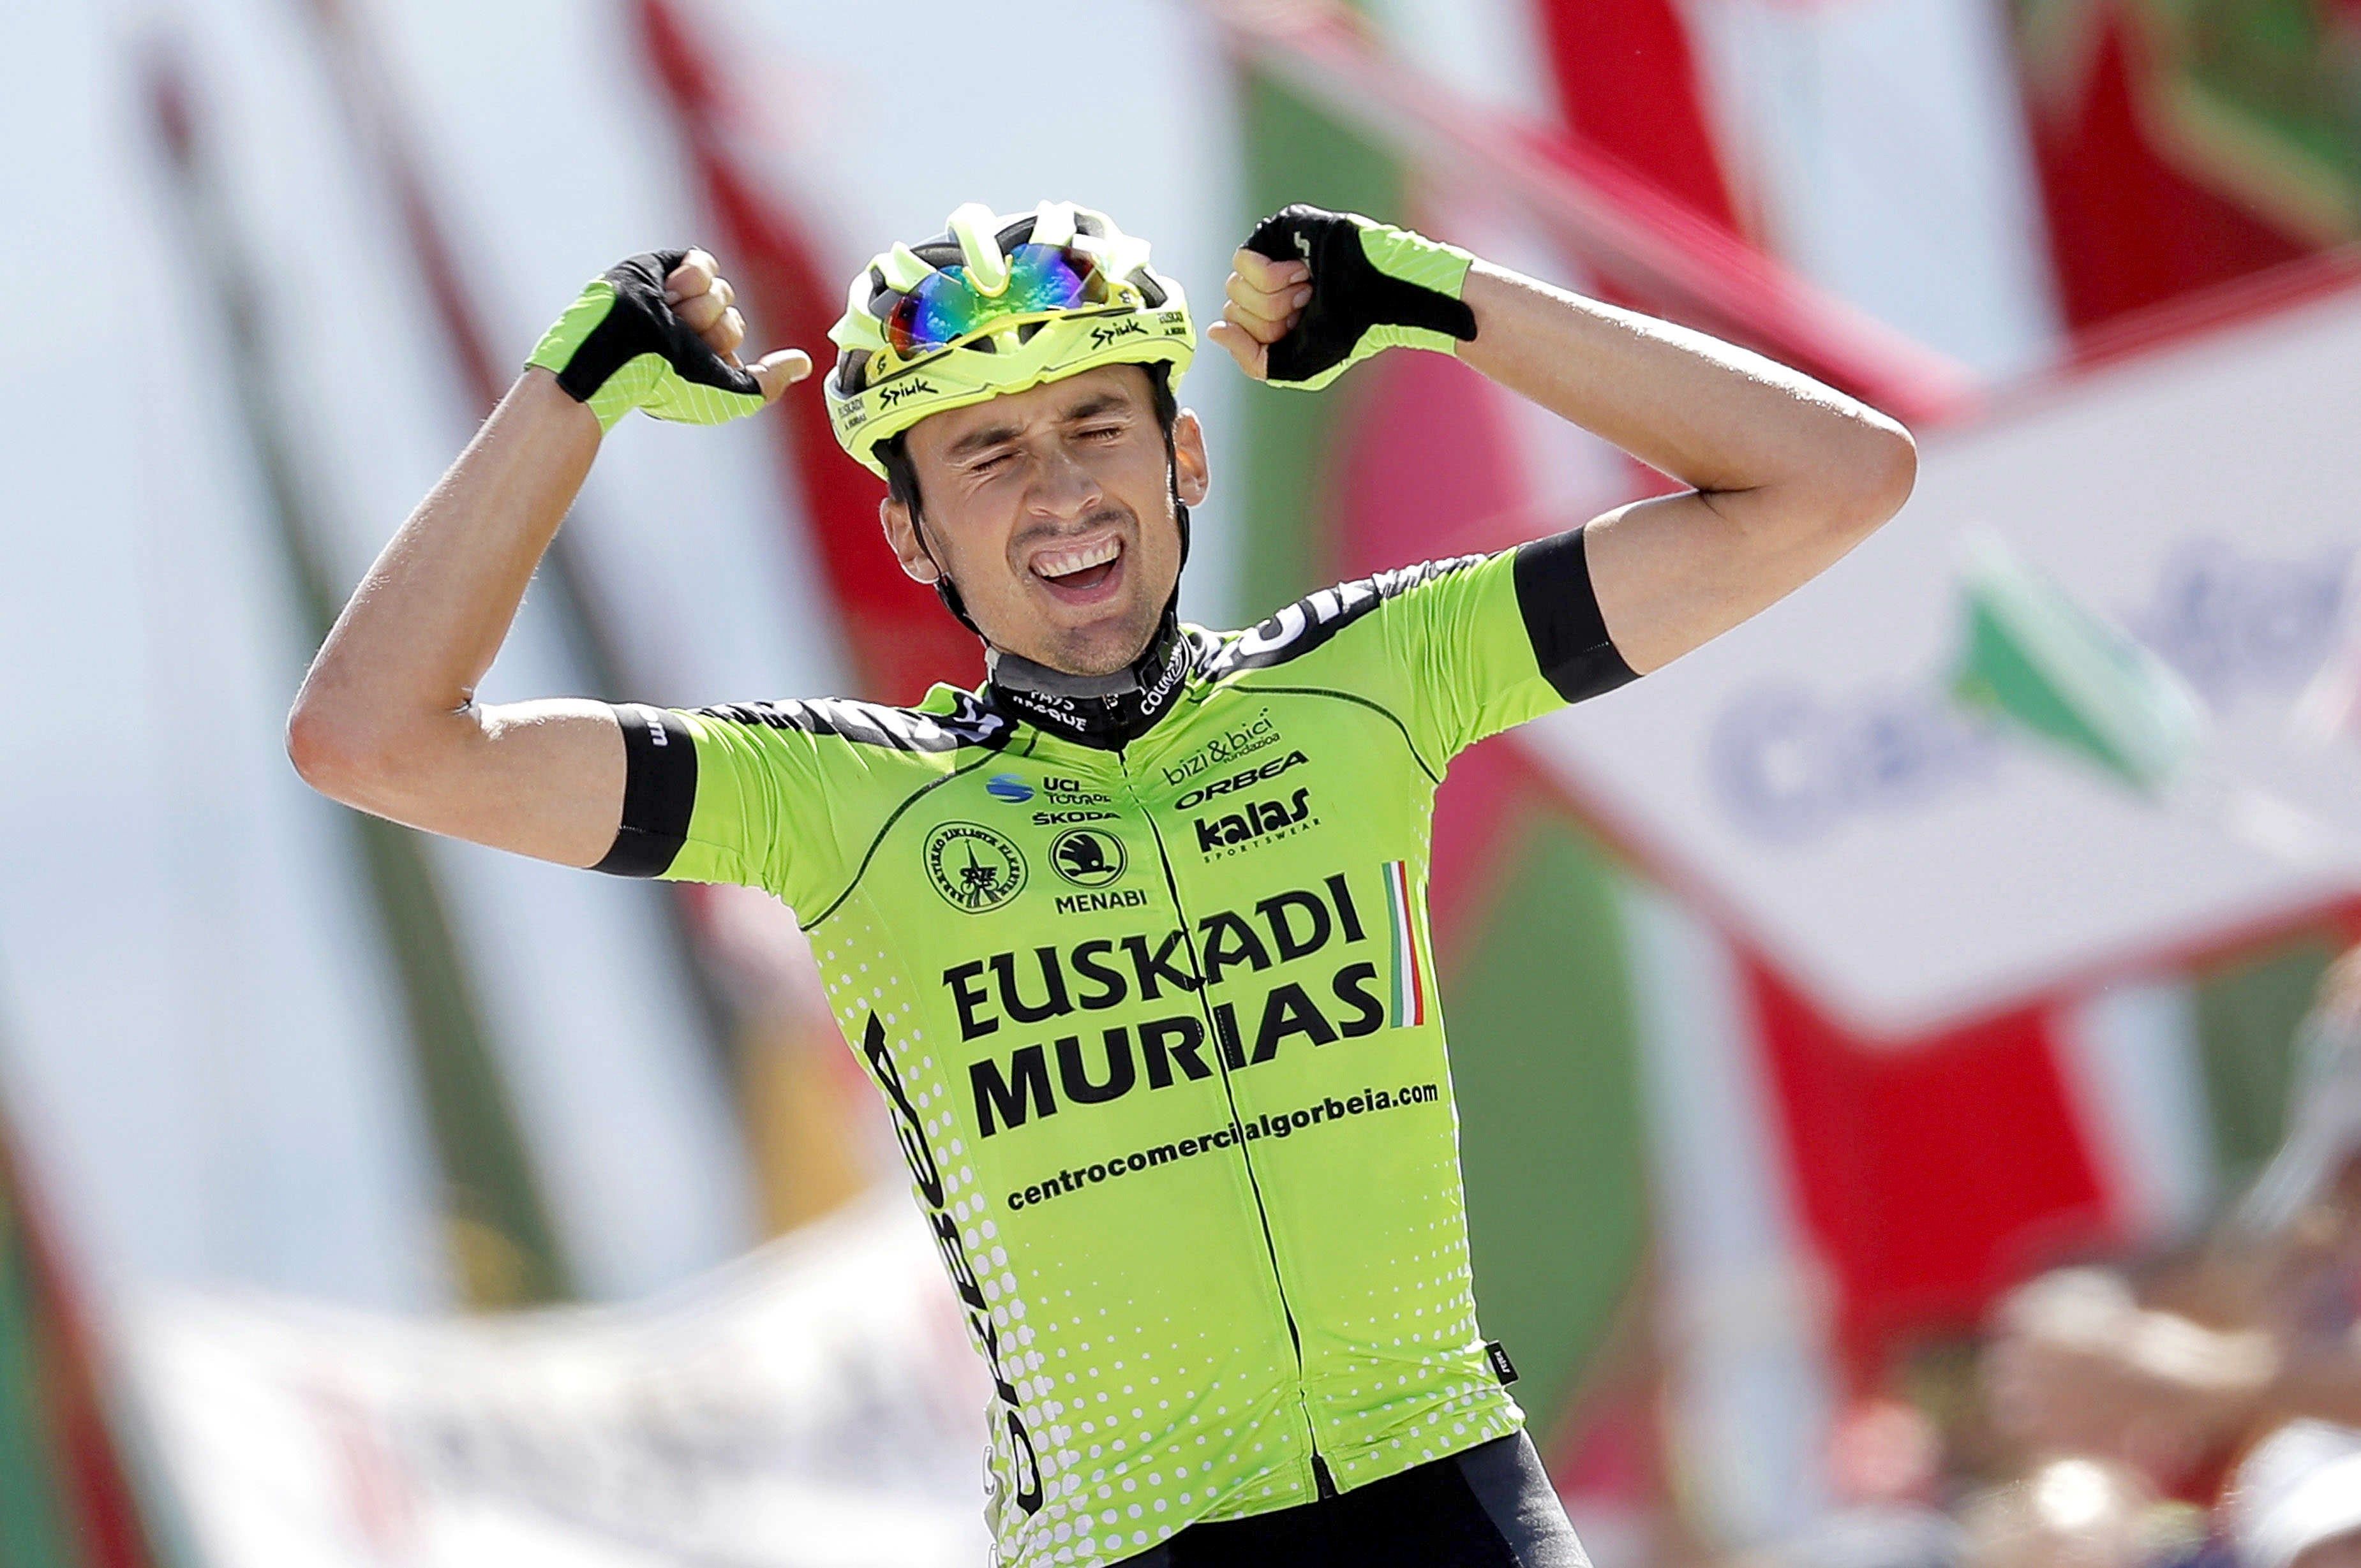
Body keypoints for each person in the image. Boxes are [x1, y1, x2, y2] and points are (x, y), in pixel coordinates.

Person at [289, 200, 1916, 1567]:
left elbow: (1836, 478)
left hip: (1452, 1488)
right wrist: (573, 387)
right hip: (1124, 1538)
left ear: (1184, 456)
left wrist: (1436, 295)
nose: (1058, 489)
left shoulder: (1372, 673)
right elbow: (372, 738)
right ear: (914, 538)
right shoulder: (832, 794)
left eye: (1093, 427)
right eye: (984, 457)